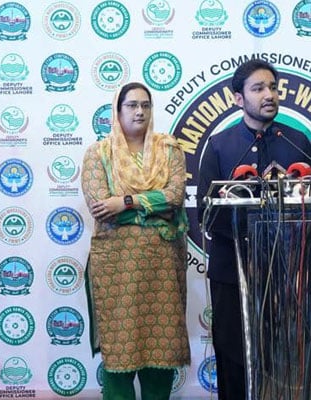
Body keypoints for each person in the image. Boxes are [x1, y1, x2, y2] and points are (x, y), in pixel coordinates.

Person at [196, 59, 311, 399]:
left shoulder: (295, 141)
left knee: (284, 356)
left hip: (286, 269)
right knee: (233, 355)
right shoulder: (220, 145)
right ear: (239, 99)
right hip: (232, 269)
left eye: (273, 87)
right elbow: (204, 212)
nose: (269, 95)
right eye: (258, 88)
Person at [81, 82, 190, 400]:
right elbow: (101, 207)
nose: (139, 111)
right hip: (116, 268)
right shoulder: (98, 154)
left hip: (162, 269)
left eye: (146, 105)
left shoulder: (168, 149)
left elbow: (174, 196)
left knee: (161, 356)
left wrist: (126, 202)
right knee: (120, 358)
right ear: (117, 111)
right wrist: (152, 208)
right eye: (131, 105)